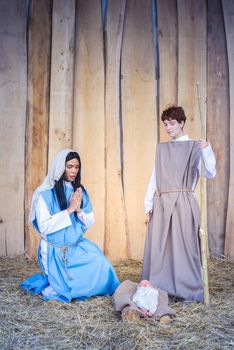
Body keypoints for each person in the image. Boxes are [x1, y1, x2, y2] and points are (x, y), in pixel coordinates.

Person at [20, 149, 120, 302]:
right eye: (69, 166)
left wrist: (78, 209)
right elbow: (45, 226)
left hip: (75, 247)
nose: (74, 171)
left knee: (103, 265)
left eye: (77, 167)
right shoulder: (44, 193)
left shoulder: (79, 190)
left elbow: (89, 220)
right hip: (55, 250)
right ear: (61, 166)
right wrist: (69, 210)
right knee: (59, 290)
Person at [141, 106, 216, 302]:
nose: (168, 127)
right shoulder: (162, 149)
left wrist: (206, 150)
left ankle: (186, 287)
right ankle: (162, 286)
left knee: (184, 246)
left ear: (182, 123)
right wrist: (148, 204)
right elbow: (155, 177)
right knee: (161, 246)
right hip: (162, 202)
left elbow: (210, 172)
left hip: (183, 202)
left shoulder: (194, 146)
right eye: (165, 124)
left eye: (172, 123)